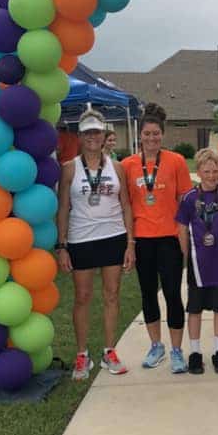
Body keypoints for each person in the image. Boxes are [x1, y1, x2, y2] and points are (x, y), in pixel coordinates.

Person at [56, 109, 135, 381]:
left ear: (104, 136)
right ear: (80, 136)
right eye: (87, 132)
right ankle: (82, 355)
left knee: (112, 295)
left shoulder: (118, 167)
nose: (92, 137)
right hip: (81, 239)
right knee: (82, 297)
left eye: (97, 132)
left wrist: (130, 243)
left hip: (113, 236)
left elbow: (126, 204)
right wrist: (62, 245)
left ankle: (109, 351)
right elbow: (63, 207)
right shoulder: (69, 168)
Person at [121, 103, 193, 373]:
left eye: (156, 134)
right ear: (140, 136)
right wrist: (129, 243)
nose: (151, 139)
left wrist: (184, 239)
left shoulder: (175, 161)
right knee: (148, 294)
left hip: (170, 240)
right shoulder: (127, 165)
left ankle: (176, 350)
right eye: (147, 134)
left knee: (173, 294)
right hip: (143, 240)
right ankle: (156, 346)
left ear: (163, 135)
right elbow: (126, 205)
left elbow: (184, 202)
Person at [177, 148, 218, 375]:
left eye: (215, 171)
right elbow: (182, 229)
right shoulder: (189, 198)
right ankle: (194, 352)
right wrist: (187, 257)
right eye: (207, 171)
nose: (211, 175)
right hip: (198, 263)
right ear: (199, 172)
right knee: (195, 309)